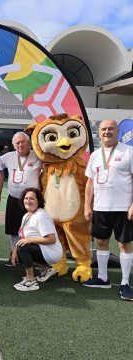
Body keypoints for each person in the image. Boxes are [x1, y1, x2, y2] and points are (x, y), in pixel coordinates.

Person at [83, 119, 133, 301]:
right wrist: (87, 205)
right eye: (104, 129)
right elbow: (89, 182)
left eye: (111, 128)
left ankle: (126, 283)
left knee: (123, 244)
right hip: (100, 208)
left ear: (118, 131)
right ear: (99, 132)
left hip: (123, 208)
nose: (107, 132)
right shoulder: (95, 155)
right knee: (101, 242)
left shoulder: (129, 151)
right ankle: (103, 278)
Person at [0, 132, 42, 266]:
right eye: (17, 143)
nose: (20, 145)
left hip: (32, 202)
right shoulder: (7, 157)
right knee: (14, 230)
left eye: (23, 142)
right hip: (14, 199)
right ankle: (14, 255)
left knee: (33, 230)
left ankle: (32, 257)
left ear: (29, 143)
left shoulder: (38, 156)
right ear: (13, 145)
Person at [12, 188, 63, 291]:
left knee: (24, 248)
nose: (28, 201)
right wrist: (14, 250)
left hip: (52, 252)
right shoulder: (27, 215)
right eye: (26, 198)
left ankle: (31, 281)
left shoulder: (41, 215)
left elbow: (51, 239)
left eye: (32, 198)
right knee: (16, 254)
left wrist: (29, 240)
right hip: (42, 249)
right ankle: (46, 269)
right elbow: (23, 238)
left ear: (38, 201)